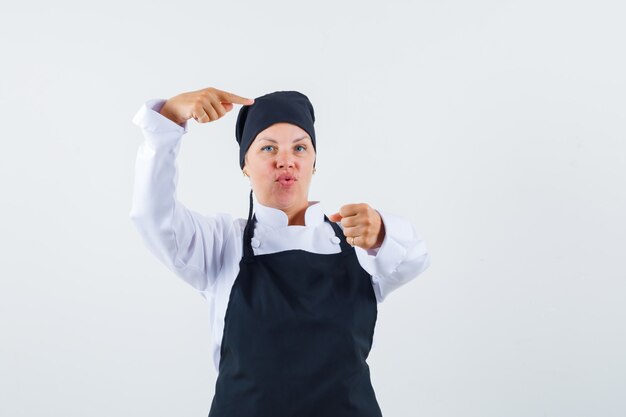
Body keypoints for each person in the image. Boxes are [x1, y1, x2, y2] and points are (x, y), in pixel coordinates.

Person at [129, 86, 431, 416]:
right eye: (268, 147)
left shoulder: (357, 241)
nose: (285, 160)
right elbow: (152, 215)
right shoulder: (220, 244)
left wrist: (381, 232)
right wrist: (170, 118)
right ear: (245, 164)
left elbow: (415, 258)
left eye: (299, 148)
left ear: (314, 163)